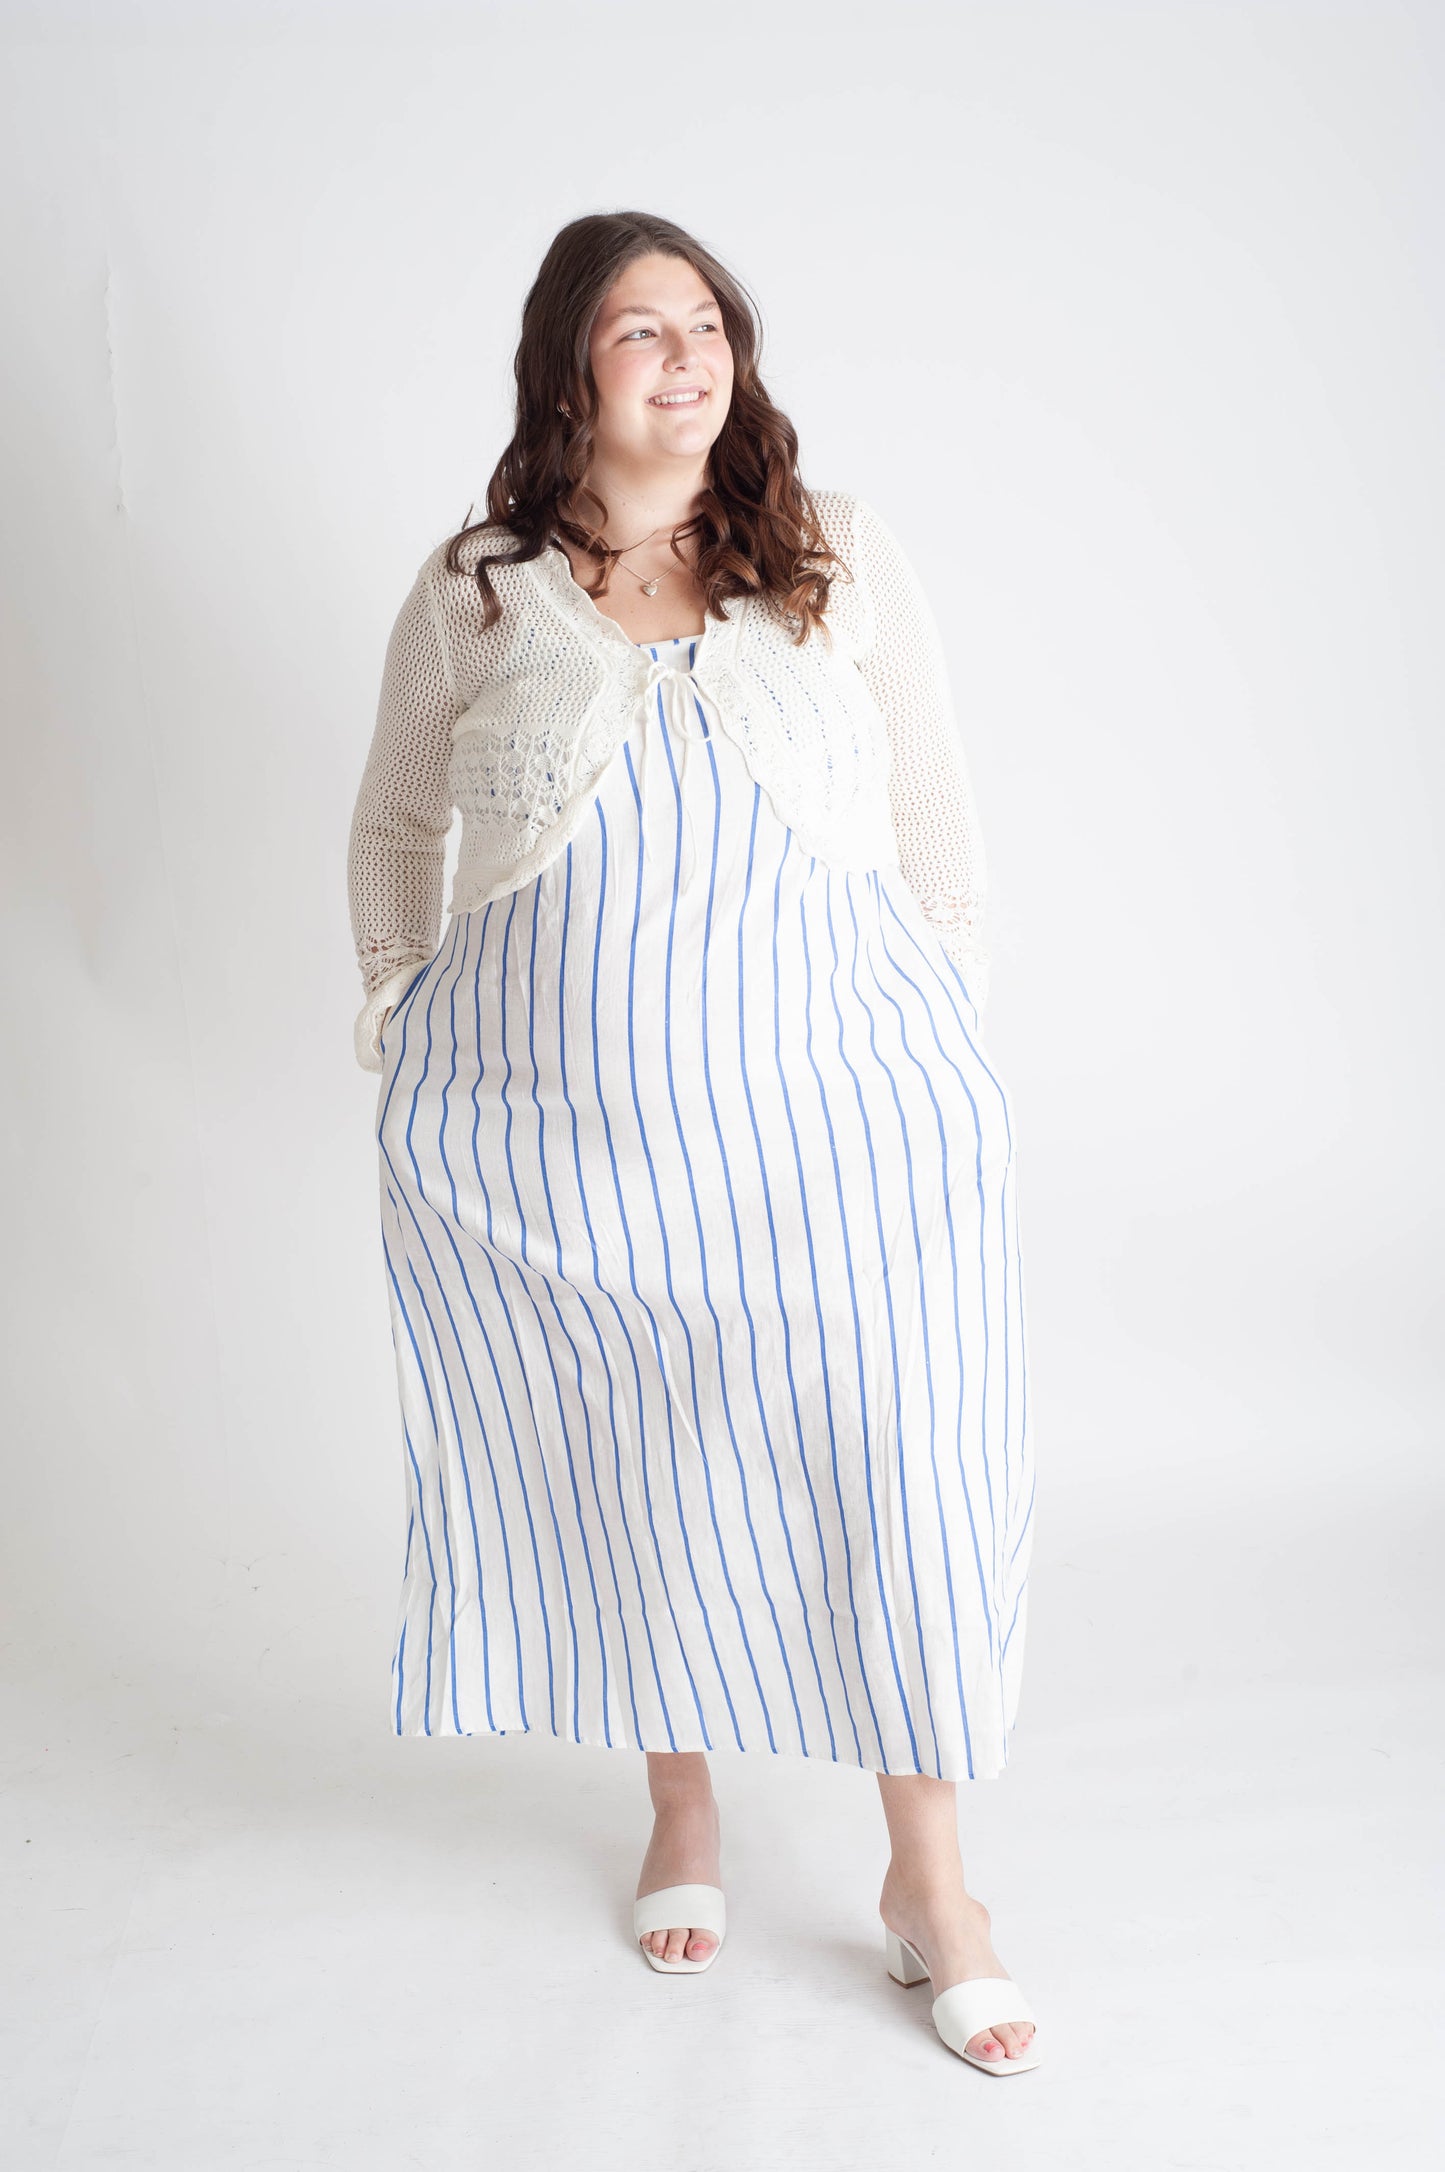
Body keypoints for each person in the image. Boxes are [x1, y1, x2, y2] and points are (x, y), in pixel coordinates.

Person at [346, 211, 1040, 2074]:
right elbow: (395, 826)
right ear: (567, 367)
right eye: (639, 327)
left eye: (709, 321)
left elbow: (934, 825)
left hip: (842, 1132)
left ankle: (932, 1882)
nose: (687, 352)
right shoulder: (479, 584)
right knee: (646, 1454)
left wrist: (942, 1052)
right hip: (580, 1150)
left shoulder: (829, 558)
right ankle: (681, 1802)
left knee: (896, 1466)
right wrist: (406, 1016)